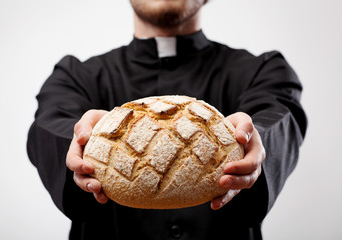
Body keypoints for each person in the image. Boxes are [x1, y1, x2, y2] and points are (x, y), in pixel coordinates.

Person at [27, 0, 307, 239]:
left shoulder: (263, 71)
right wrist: (80, 142)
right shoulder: (76, 76)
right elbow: (50, 127)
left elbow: (279, 119)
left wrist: (253, 138)